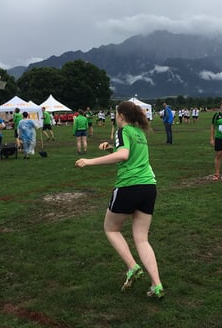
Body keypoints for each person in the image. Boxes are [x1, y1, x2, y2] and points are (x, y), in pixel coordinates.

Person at [75, 101, 164, 298]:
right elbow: (130, 156)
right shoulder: (139, 132)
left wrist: (89, 161)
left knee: (111, 229)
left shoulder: (123, 131)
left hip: (129, 186)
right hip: (149, 187)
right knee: (142, 239)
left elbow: (123, 155)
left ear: (121, 116)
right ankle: (156, 285)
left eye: (116, 114)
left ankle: (132, 267)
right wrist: (110, 150)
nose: (115, 117)